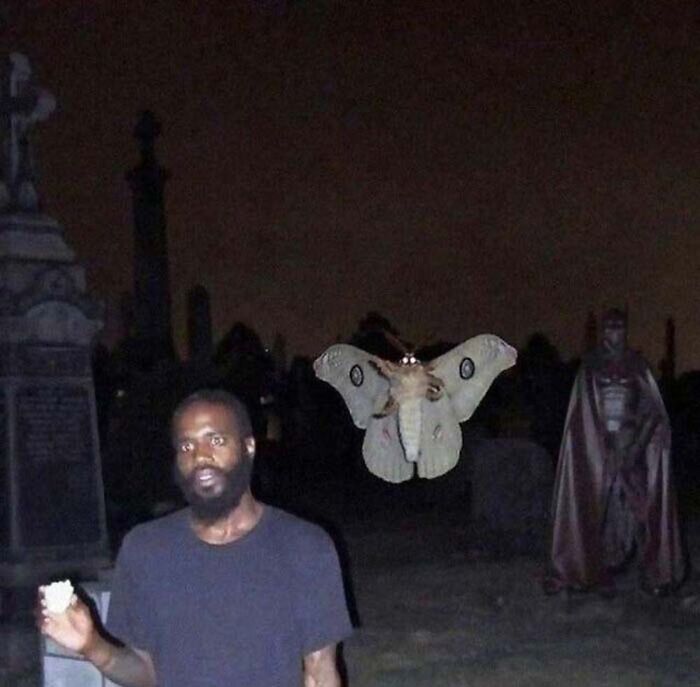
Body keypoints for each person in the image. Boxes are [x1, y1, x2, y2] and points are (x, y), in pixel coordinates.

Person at [39, 389, 352, 687]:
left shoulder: (303, 546)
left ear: (248, 446)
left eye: (215, 440)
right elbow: (148, 674)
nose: (201, 456)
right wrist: (91, 644)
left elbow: (321, 673)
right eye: (187, 446)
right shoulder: (146, 550)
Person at [545, 309, 686, 597]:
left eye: (619, 327)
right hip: (599, 448)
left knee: (643, 508)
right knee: (593, 509)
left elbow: (652, 412)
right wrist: (599, 448)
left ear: (626, 330)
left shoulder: (638, 366)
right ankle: (588, 571)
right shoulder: (590, 366)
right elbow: (582, 416)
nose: (614, 333)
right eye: (609, 327)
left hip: (632, 446)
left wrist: (635, 446)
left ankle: (655, 573)